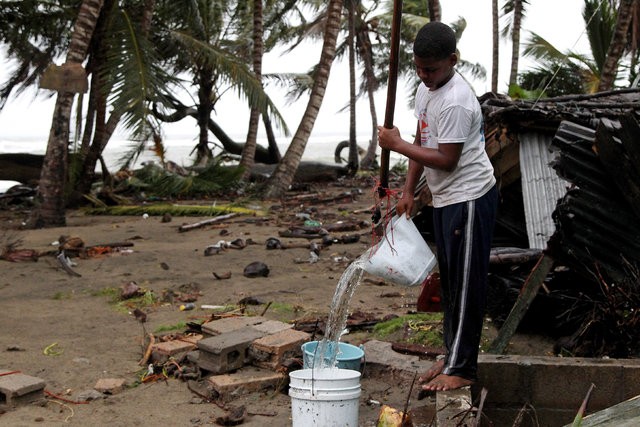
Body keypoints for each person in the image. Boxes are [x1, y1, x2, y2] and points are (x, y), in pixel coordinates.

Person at [377, 21, 498, 392]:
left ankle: (462, 368)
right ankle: (452, 354)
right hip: (445, 198)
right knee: (449, 283)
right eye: (418, 67)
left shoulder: (458, 100)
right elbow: (421, 136)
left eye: (431, 69)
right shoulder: (426, 89)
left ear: (452, 60)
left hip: (471, 197)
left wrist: (395, 146)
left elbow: (446, 159)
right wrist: (410, 190)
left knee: (466, 283)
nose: (423, 75)